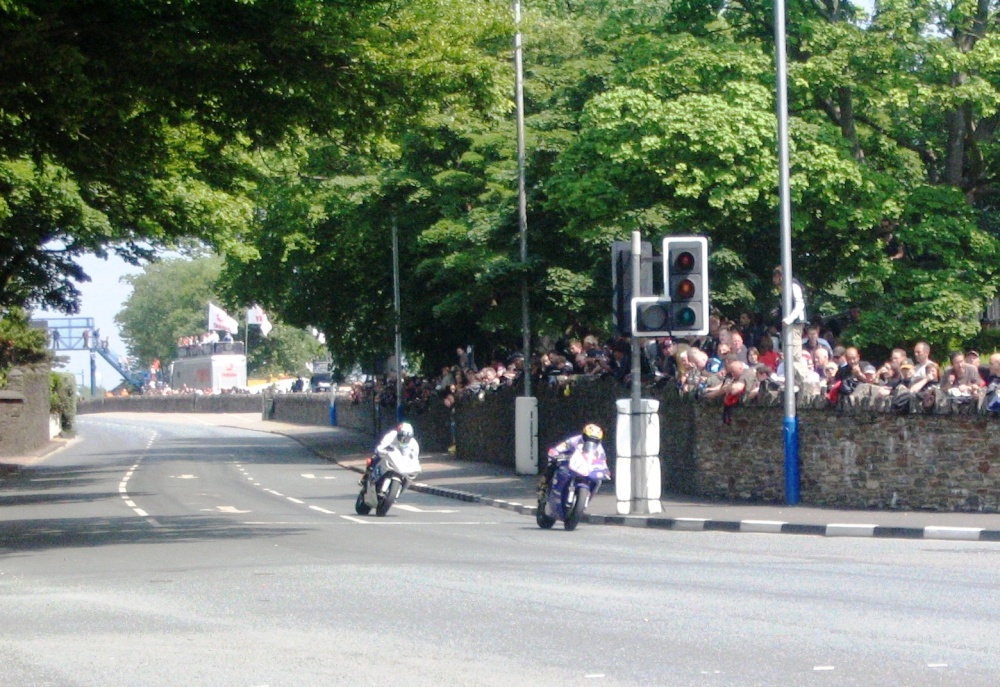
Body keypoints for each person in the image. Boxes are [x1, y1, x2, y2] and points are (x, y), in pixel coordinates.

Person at [541, 424, 608, 490]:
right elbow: (562, 446)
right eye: (588, 438)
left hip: (585, 466)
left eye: (595, 440)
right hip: (569, 460)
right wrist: (555, 452)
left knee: (598, 481)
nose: (591, 442)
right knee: (552, 464)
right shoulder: (574, 440)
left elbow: (603, 460)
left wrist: (605, 469)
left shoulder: (600, 448)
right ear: (584, 435)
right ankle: (544, 486)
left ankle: (588, 496)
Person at [772, 265, 809, 387]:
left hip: (795, 323)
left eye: (775, 276)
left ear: (780, 275)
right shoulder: (785, 287)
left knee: (794, 352)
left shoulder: (793, 285)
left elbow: (800, 304)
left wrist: (790, 319)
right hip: (790, 324)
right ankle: (793, 380)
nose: (774, 280)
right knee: (789, 352)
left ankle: (803, 379)